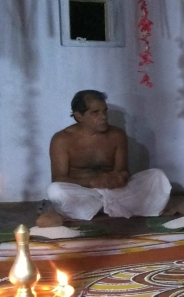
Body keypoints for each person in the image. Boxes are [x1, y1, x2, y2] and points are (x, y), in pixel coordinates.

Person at [46, 90, 171, 220]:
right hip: (84, 192)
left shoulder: (117, 135)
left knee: (157, 176)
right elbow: (58, 178)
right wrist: (91, 182)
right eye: (95, 113)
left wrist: (119, 178)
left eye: (104, 111)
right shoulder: (62, 139)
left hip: (114, 192)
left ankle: (97, 210)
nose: (104, 117)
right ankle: (113, 208)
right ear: (79, 116)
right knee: (55, 190)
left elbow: (123, 171)